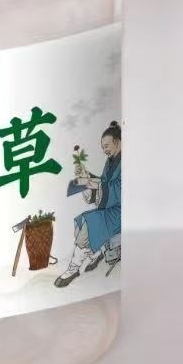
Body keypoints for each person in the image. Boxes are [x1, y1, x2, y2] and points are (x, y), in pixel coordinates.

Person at [54, 121, 121, 288]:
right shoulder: (110, 161)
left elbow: (118, 189)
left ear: (117, 141)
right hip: (110, 208)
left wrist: (90, 183)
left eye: (106, 146)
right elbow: (104, 182)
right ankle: (95, 253)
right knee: (81, 220)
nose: (105, 150)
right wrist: (86, 176)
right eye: (103, 147)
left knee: (87, 226)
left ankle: (73, 268)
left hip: (120, 212)